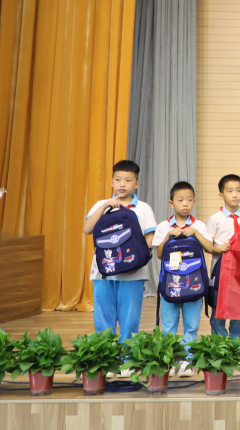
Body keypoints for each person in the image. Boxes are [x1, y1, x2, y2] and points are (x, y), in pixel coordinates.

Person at [152, 181, 226, 376]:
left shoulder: (199, 225)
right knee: (168, 326)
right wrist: (169, 236)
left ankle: (187, 361)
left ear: (194, 202)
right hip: (170, 285)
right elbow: (159, 254)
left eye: (189, 200)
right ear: (171, 203)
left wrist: (195, 233)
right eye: (180, 200)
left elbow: (210, 248)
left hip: (194, 285)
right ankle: (170, 360)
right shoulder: (163, 226)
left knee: (192, 326)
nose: (185, 203)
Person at [83, 160, 158, 343]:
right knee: (103, 316)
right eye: (118, 180)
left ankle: (127, 354)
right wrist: (104, 207)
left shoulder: (143, 208)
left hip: (133, 273)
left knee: (130, 317)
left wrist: (138, 264)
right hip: (103, 271)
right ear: (111, 182)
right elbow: (87, 228)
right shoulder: (100, 204)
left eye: (128, 180)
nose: (122, 184)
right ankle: (106, 353)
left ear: (136, 183)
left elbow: (150, 239)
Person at [206, 173, 240, 348]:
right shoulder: (215, 219)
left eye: (238, 191)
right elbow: (208, 245)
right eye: (230, 191)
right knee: (218, 308)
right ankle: (220, 348)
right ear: (221, 194)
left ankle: (236, 349)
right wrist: (219, 248)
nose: (235, 195)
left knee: (238, 309)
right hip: (220, 269)